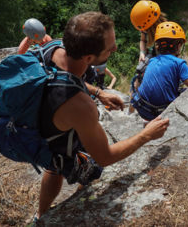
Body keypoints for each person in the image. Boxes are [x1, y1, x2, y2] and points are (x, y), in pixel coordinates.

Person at [36, 12, 169, 219]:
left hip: (39, 113)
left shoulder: (56, 48)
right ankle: (77, 199)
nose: (115, 49)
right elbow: (104, 156)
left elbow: (67, 74)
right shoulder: (81, 106)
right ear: (89, 59)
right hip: (55, 127)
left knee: (54, 167)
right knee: (89, 164)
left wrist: (98, 92)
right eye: (110, 48)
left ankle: (41, 215)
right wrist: (146, 136)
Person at [131, 21, 188, 121]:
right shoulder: (179, 63)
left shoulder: (152, 60)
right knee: (185, 91)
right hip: (157, 113)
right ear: (178, 46)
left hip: (141, 107)